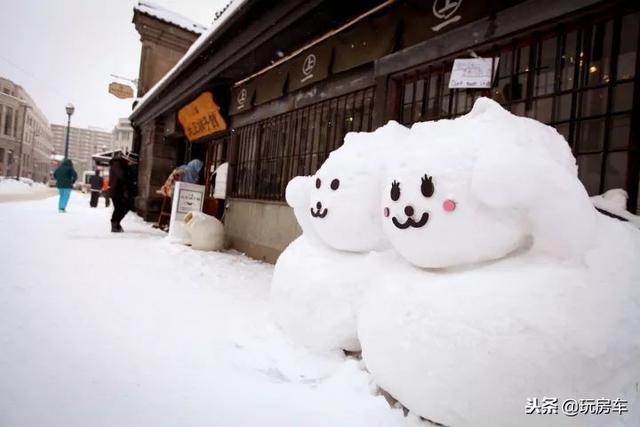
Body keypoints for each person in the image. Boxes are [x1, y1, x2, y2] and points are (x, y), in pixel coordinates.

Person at [109, 154, 133, 232]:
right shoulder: (117, 164)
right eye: (131, 162)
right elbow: (122, 177)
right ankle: (115, 224)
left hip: (119, 191)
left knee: (122, 208)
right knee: (119, 208)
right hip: (117, 190)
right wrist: (128, 170)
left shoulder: (120, 165)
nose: (131, 163)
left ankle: (116, 224)